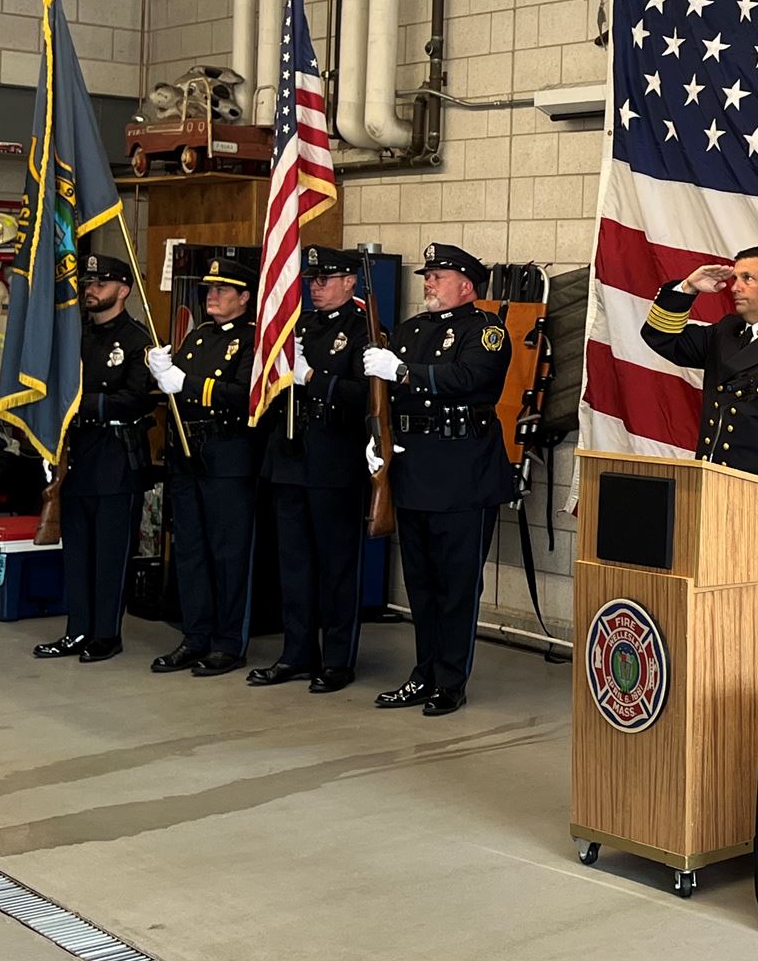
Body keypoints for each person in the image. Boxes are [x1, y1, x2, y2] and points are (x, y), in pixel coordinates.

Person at [363, 244, 514, 716]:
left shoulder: (486, 331)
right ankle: (422, 673)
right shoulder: (410, 330)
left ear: (466, 285)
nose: (427, 283)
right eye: (427, 276)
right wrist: (378, 440)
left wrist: (404, 371)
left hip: (462, 470)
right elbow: (386, 397)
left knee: (457, 585)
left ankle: (450, 681)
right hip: (412, 468)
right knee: (422, 585)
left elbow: (468, 377)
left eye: (438, 276)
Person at [251, 245, 375, 694]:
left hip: (335, 458)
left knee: (337, 565)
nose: (316, 288)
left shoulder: (365, 329)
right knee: (295, 564)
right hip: (290, 454)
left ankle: (338, 659)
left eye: (325, 280)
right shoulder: (297, 326)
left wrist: (311, 379)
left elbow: (366, 396)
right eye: (312, 281)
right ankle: (297, 652)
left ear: (349, 282)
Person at [31, 251, 156, 665]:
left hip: (116, 456)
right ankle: (77, 629)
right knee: (78, 550)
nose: (90, 291)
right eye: (87, 284)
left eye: (100, 284)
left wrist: (81, 404)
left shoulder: (138, 340)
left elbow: (135, 399)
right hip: (77, 454)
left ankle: (106, 633)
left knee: (110, 552)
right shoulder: (76, 336)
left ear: (123, 289)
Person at [145, 250, 261, 676]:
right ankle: (195, 637)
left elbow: (246, 394)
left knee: (228, 554)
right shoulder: (197, 338)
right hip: (187, 456)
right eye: (209, 289)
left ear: (244, 297)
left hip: (227, 454)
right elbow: (177, 393)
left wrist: (186, 383)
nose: (212, 296)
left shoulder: (252, 339)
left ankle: (228, 643)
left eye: (222, 290)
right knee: (190, 551)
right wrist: (160, 371)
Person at [636, 246, 758, 488]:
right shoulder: (725, 332)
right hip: (709, 486)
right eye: (735, 279)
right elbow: (662, 338)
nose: (735, 287)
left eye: (747, 278)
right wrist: (688, 287)